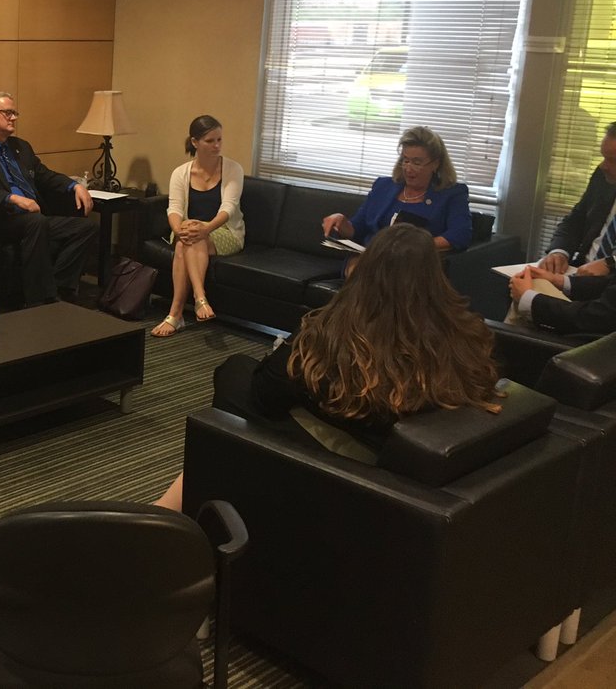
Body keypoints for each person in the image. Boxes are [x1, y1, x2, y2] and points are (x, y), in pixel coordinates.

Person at [155, 224, 501, 510]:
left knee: (234, 373)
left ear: (367, 270)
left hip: (346, 457)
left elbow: (266, 393)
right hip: (395, 455)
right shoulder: (462, 333)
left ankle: (177, 506)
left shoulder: (338, 328)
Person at [0, 92, 98, 306]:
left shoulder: (21, 147)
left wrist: (74, 185)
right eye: (8, 113)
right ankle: (38, 299)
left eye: (15, 113)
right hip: (1, 219)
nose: (13, 118)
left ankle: (60, 287)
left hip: (34, 216)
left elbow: (44, 175)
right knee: (36, 222)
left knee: (86, 227)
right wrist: (11, 198)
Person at [151, 115, 245, 337]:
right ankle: (199, 299)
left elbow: (229, 208)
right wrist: (178, 230)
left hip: (224, 231)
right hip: (187, 230)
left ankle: (177, 313)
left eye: (219, 140)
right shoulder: (181, 172)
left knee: (188, 241)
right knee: (188, 236)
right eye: (210, 141)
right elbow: (174, 209)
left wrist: (206, 228)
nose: (217, 146)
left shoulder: (233, 169)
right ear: (195, 142)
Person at [321, 126, 472, 252]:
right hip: (369, 256)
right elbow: (357, 229)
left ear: (435, 164)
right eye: (405, 160)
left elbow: (460, 235)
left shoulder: (452, 193)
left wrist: (413, 248)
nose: (408, 169)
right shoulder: (383, 186)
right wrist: (341, 223)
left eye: (417, 163)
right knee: (359, 268)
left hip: (413, 263)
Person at [537, 121, 616, 277]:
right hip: (578, 274)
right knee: (517, 285)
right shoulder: (603, 178)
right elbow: (576, 220)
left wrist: (611, 263)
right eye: (604, 157)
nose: (603, 166)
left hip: (610, 285)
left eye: (613, 160)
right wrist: (559, 252)